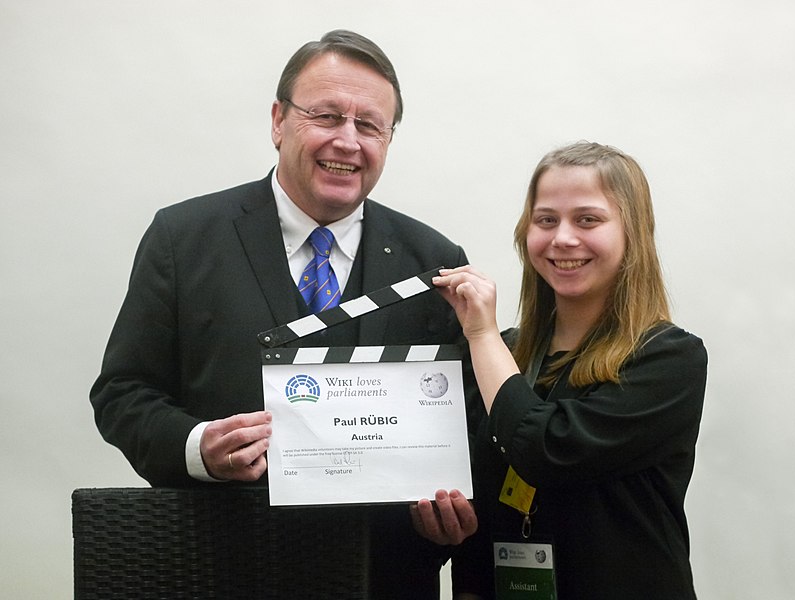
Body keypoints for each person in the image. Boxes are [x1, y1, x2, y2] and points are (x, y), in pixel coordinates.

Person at [90, 29, 473, 599]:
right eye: (325, 116)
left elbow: (466, 422)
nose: (347, 141)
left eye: (369, 125)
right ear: (277, 121)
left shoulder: (435, 263)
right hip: (219, 565)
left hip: (383, 573)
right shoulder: (183, 238)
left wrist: (452, 510)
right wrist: (198, 447)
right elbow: (122, 393)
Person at [427, 142, 707, 599]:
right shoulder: (508, 352)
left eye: (588, 219)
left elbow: (545, 450)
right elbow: (479, 493)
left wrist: (480, 334)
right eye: (546, 220)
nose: (562, 238)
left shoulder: (670, 358)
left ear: (632, 232)